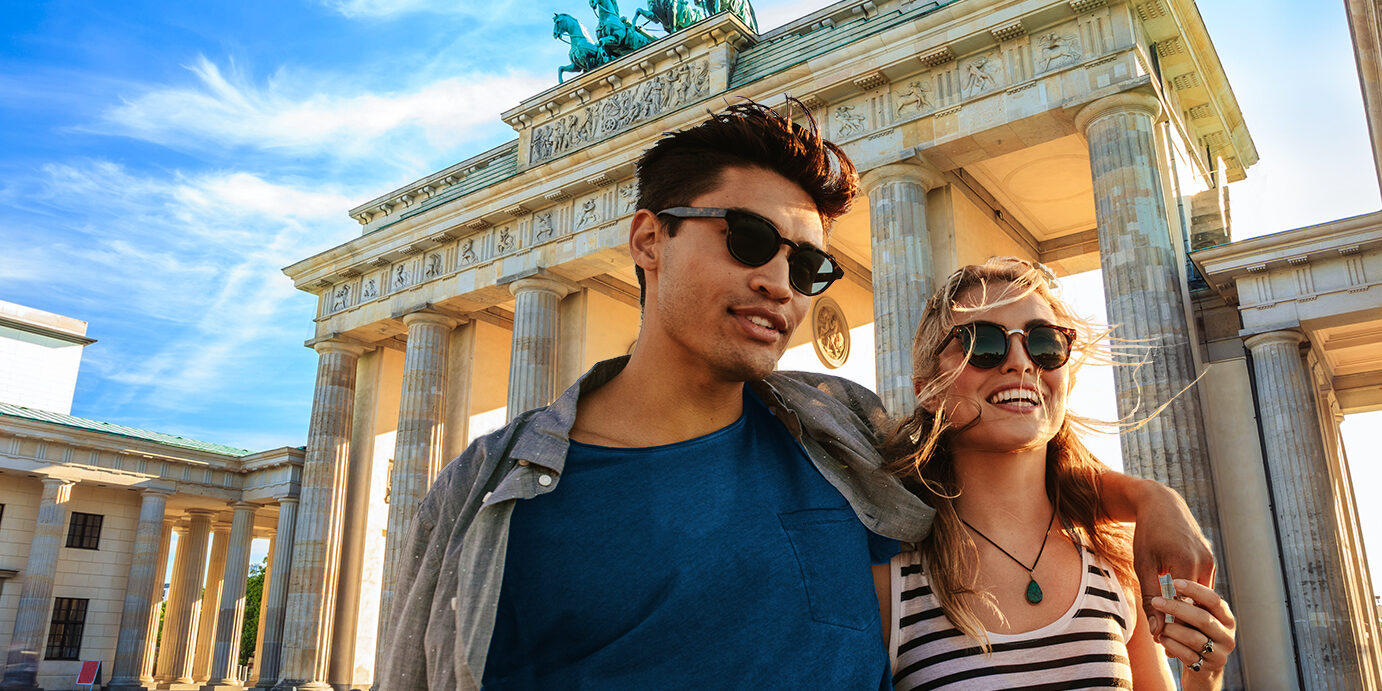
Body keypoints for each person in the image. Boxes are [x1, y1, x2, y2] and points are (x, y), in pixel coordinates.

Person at [377, 101, 1217, 690]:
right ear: (648, 239)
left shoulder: (840, 442)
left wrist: (1149, 498)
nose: (779, 282)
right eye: (747, 239)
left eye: (808, 265)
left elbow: (989, 447)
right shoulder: (486, 497)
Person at [881, 258, 1237, 690]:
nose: (1021, 362)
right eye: (982, 343)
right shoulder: (890, 578)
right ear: (930, 391)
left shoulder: (1113, 565)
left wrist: (1205, 674)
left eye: (1044, 344)